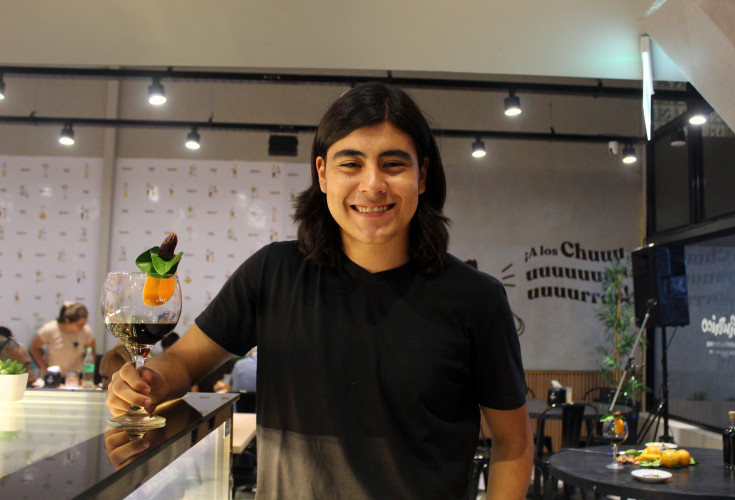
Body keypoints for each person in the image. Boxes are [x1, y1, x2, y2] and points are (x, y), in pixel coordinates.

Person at [107, 82, 533, 499]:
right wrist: (148, 383)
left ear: (422, 175)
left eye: (393, 164)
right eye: (351, 164)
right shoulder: (272, 272)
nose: (373, 184)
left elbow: (513, 445)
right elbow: (183, 362)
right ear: (323, 174)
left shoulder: (476, 299)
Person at [30, 302, 96, 375]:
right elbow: (34, 348)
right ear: (67, 321)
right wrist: (44, 368)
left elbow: (91, 354)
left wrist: (87, 374)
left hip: (75, 376)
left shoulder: (86, 331)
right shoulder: (49, 329)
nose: (83, 327)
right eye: (79, 325)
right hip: (53, 375)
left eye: (84, 324)